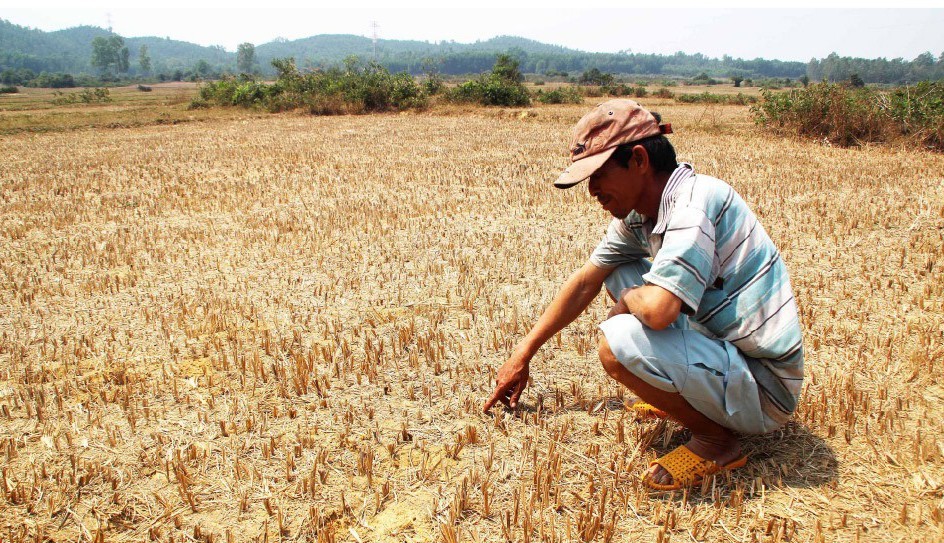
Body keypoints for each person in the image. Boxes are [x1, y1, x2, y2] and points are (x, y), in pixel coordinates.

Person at [483, 99, 803, 490]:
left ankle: (717, 441)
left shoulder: (692, 206)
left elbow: (659, 312)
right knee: (618, 270)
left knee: (617, 344)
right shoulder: (642, 215)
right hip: (726, 353)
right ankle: (688, 395)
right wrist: (522, 354)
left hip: (764, 388)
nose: (592, 191)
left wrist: (627, 301)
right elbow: (586, 281)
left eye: (598, 174)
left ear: (638, 160)